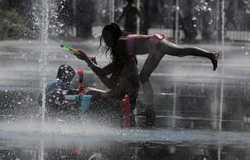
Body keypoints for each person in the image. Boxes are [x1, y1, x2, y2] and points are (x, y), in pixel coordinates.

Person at [74, 23, 218, 126]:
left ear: (112, 35)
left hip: (157, 43)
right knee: (143, 77)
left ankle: (210, 54)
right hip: (154, 48)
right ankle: (150, 107)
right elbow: (108, 71)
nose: (105, 41)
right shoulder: (121, 44)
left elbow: (104, 71)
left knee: (180, 52)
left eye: (106, 37)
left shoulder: (119, 43)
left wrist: (86, 59)